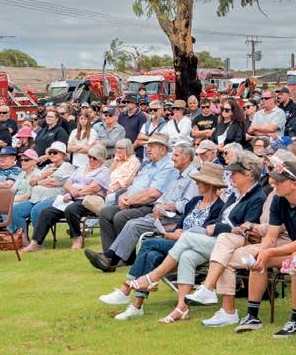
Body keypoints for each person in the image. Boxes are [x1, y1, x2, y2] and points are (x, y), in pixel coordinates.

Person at [101, 162, 228, 322]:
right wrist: (174, 232)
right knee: (152, 256)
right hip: (177, 243)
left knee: (148, 244)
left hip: (193, 246)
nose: (196, 183)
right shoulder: (194, 201)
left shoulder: (219, 207)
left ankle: (126, 288)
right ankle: (136, 306)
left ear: (210, 184)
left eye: (200, 181)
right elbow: (180, 224)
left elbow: (206, 232)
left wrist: (182, 235)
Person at [229, 158, 296, 336]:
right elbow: (271, 236)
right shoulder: (278, 199)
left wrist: (269, 251)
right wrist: (263, 252)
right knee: (260, 259)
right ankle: (252, 316)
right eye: (274, 180)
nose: (273, 183)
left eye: (279, 181)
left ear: (294, 184)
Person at [86, 135, 187, 270]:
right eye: (147, 146)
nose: (148, 149)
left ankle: (120, 258)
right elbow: (134, 186)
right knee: (105, 213)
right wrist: (124, 197)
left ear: (163, 150)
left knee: (121, 217)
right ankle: (107, 256)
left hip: (148, 205)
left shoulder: (167, 167)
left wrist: (129, 201)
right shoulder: (148, 165)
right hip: (134, 201)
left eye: (152, 146)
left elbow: (153, 193)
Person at [23, 144, 112, 252]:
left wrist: (73, 194)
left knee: (71, 209)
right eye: (89, 157)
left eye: (95, 158)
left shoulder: (104, 171)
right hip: (72, 198)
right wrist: (71, 191)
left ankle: (77, 238)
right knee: (46, 212)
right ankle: (35, 243)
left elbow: (93, 188)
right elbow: (67, 184)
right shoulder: (82, 168)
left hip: (88, 200)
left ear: (101, 159)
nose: (91, 160)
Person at [12, 141, 74, 238]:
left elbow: (53, 182)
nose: (52, 154)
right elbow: (31, 182)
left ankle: (37, 241)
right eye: (50, 152)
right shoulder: (48, 167)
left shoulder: (67, 166)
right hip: (37, 198)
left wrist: (39, 181)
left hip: (55, 199)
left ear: (62, 154)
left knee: (36, 211)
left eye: (55, 152)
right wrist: (44, 175)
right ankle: (23, 239)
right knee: (15, 210)